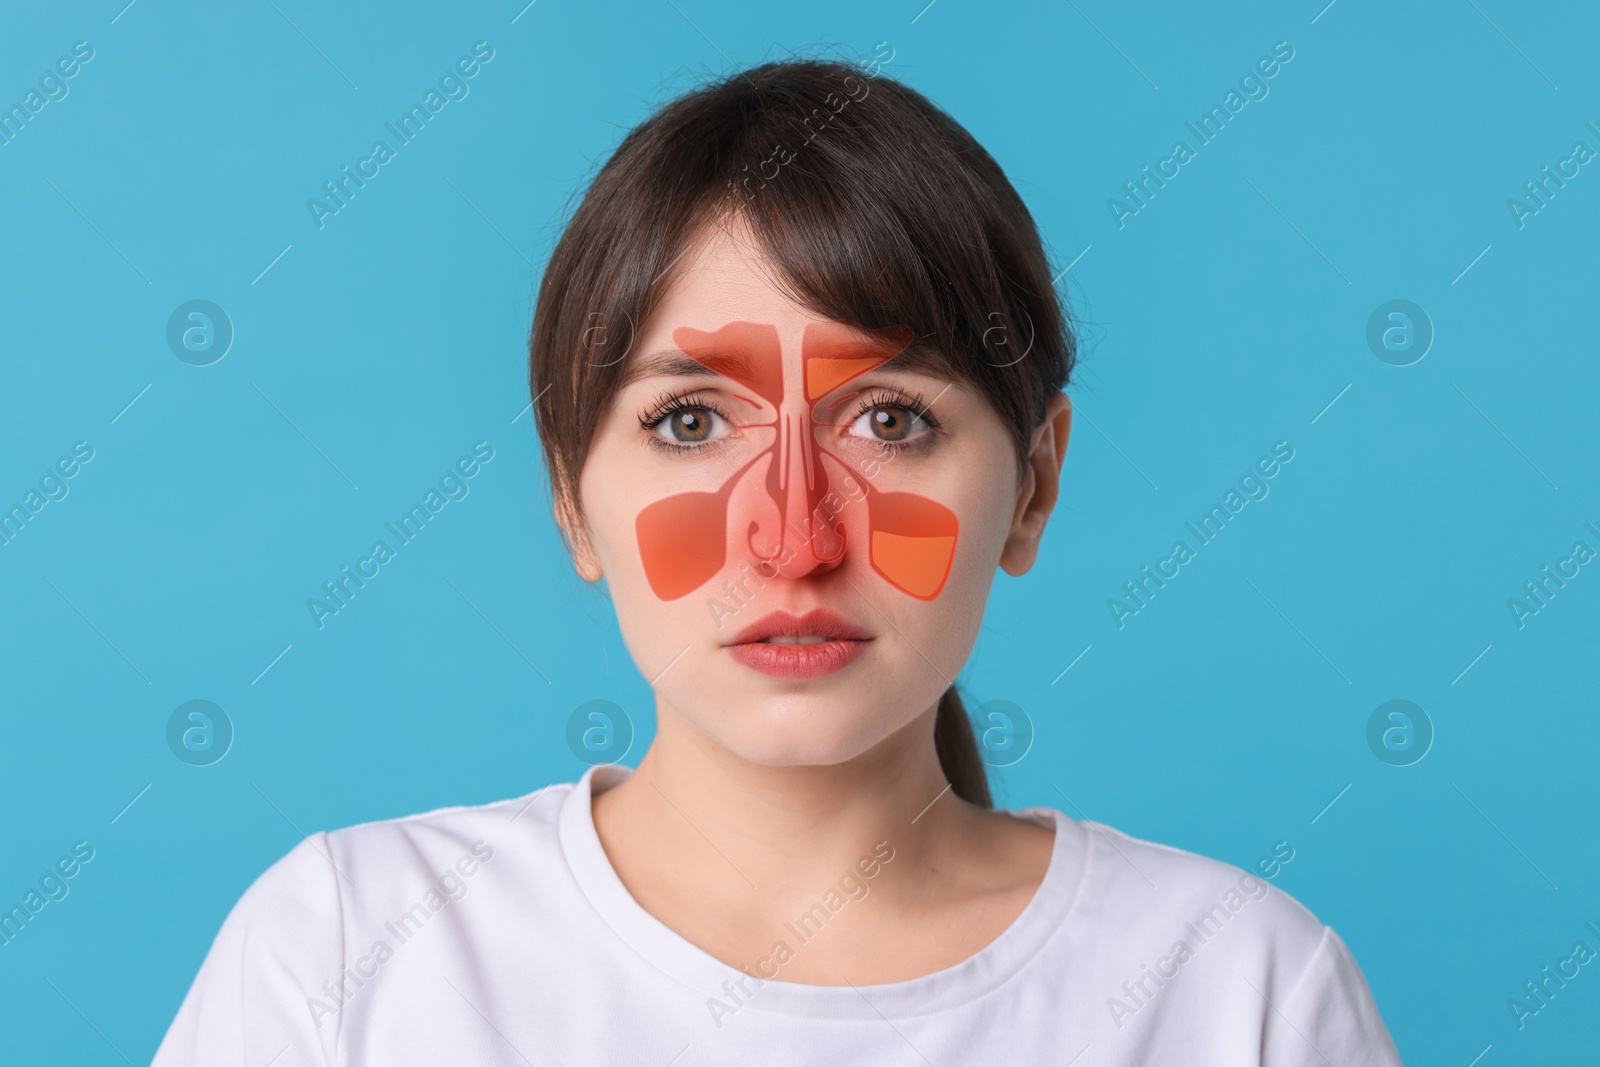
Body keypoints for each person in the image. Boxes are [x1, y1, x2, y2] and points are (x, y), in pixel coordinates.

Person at [153, 57, 1402, 1065]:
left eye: (892, 417)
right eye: (688, 422)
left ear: (1034, 485)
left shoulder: (1242, 995)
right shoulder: (345, 953)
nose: (792, 537)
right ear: (569, 500)